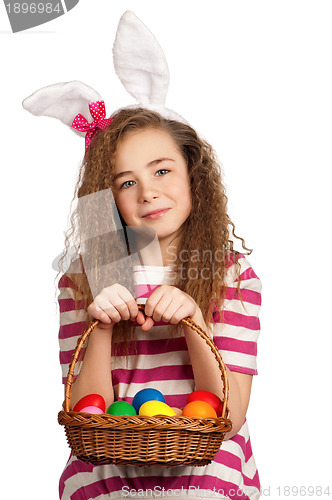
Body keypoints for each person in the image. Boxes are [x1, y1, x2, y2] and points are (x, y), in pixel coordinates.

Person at [57, 107, 262, 500]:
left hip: (207, 480)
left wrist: (196, 319)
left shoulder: (231, 276)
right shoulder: (81, 281)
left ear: (193, 175)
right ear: (107, 198)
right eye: (126, 182)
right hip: (107, 479)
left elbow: (230, 419)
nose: (148, 191)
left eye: (162, 171)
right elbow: (87, 416)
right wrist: (100, 327)